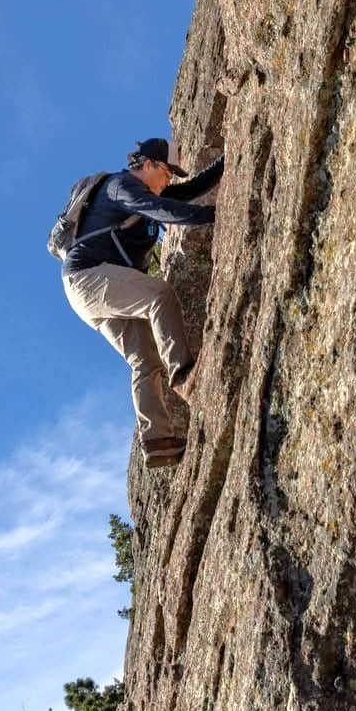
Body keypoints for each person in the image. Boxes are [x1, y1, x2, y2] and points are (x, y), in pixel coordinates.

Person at [61, 138, 224, 469]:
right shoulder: (121, 186)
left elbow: (187, 192)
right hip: (90, 278)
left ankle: (157, 441)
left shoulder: (146, 193)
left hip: (91, 290)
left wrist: (228, 161)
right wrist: (217, 216)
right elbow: (166, 210)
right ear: (147, 164)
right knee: (158, 296)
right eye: (166, 172)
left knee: (145, 359)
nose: (169, 180)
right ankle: (183, 375)